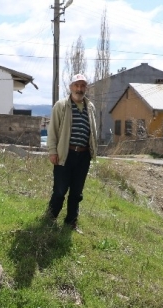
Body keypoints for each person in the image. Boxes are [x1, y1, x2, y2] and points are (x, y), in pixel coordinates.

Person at [45, 73, 98, 232]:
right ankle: (50, 219)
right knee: (60, 190)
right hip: (65, 154)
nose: (79, 89)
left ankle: (71, 222)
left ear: (86, 88)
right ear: (71, 87)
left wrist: (92, 152)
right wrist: (52, 151)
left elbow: (93, 131)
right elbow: (52, 131)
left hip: (83, 156)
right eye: (77, 85)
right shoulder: (61, 106)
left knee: (76, 192)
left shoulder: (90, 107)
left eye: (82, 86)